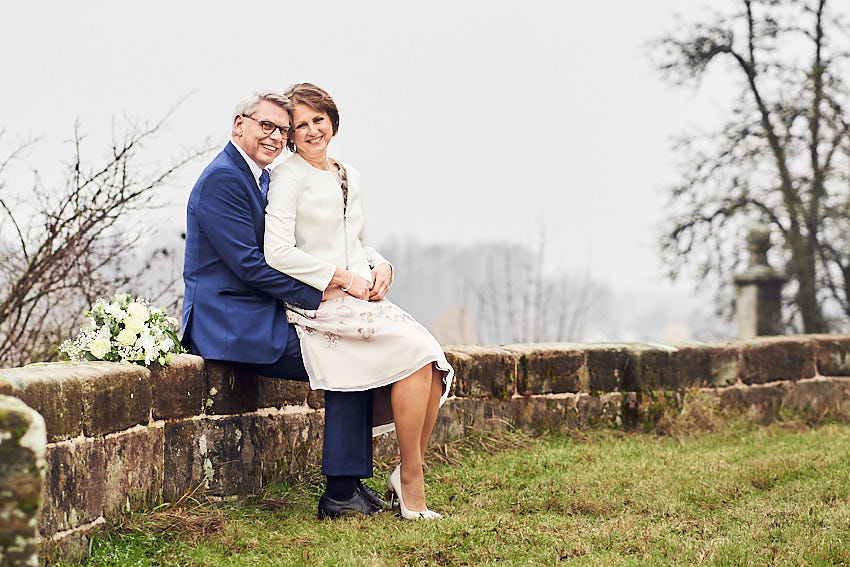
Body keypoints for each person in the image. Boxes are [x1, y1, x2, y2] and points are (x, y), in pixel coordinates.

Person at [182, 90, 389, 519]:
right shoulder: (223, 178)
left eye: (281, 129)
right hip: (229, 323)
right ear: (239, 124)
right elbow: (250, 267)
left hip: (258, 314)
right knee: (346, 355)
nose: (275, 137)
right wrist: (324, 290)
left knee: (354, 347)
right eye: (266, 126)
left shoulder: (254, 176)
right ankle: (339, 493)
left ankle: (350, 484)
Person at [264, 83, 454, 520]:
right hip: (322, 302)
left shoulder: (349, 173)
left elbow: (361, 242)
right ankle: (412, 482)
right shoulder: (286, 176)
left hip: (363, 297)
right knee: (416, 352)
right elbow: (277, 252)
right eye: (301, 125)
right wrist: (343, 277)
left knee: (432, 361)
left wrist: (381, 265)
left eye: (319, 120)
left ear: (332, 119)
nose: (312, 131)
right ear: (290, 134)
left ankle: (406, 473)